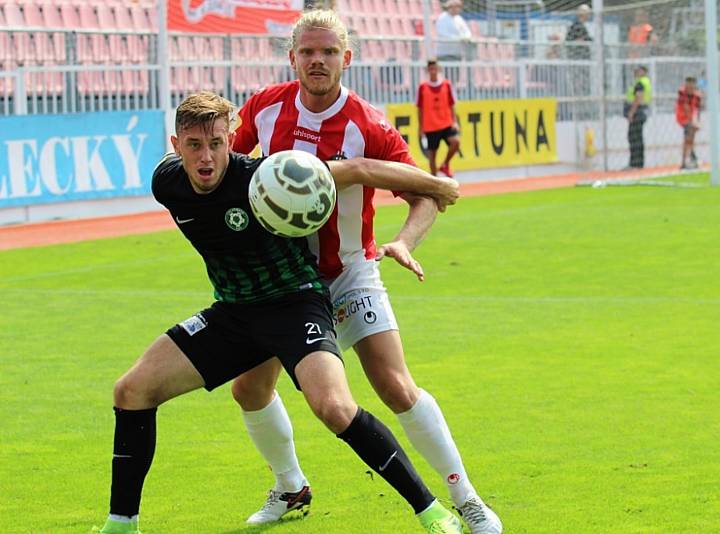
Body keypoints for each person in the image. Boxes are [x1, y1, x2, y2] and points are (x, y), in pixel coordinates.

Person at [93, 91, 464, 534]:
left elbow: (359, 169)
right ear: (176, 146)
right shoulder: (166, 183)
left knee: (334, 407)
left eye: (216, 142)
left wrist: (436, 185)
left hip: (295, 303)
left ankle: (431, 511)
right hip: (233, 314)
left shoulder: (264, 177)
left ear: (232, 139)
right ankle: (121, 525)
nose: (206, 156)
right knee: (131, 390)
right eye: (194, 145)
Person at [231, 9, 503, 534]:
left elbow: (426, 194)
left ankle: (467, 499)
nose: (317, 61)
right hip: (282, 279)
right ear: (292, 58)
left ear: (346, 59)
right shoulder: (263, 108)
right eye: (307, 52)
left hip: (350, 271)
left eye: (328, 52)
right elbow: (232, 174)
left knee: (396, 387)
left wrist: (403, 240)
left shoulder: (369, 123)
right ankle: (290, 487)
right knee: (248, 389)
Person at [417, 59, 460, 179]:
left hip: (446, 123)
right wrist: (420, 128)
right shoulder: (423, 87)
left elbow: (452, 104)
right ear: (428, 70)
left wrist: (455, 121)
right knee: (432, 156)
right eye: (431, 69)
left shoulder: (446, 85)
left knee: (455, 142)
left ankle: (445, 164)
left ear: (438, 69)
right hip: (431, 126)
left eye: (435, 68)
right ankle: (434, 182)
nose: (433, 71)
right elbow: (420, 108)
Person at [435, 0, 472, 86]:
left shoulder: (459, 19)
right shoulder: (442, 18)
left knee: (454, 78)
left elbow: (467, 31)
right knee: (448, 77)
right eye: (457, 6)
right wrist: (459, 39)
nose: (459, 9)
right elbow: (443, 33)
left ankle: (452, 95)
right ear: (451, 7)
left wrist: (466, 37)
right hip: (445, 54)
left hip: (456, 53)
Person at [624, 65, 651, 169]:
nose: (635, 72)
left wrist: (631, 112)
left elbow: (638, 98)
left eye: (638, 70)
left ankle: (635, 163)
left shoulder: (640, 83)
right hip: (641, 112)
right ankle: (638, 163)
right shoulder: (645, 82)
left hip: (637, 113)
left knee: (634, 138)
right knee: (637, 137)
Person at [675, 76, 702, 170]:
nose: (689, 87)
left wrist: (697, 122)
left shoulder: (697, 96)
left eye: (692, 85)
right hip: (682, 117)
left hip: (691, 118)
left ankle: (691, 156)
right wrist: (693, 122)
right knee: (688, 136)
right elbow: (686, 108)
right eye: (688, 85)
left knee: (691, 138)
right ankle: (686, 160)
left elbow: (697, 110)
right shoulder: (682, 93)